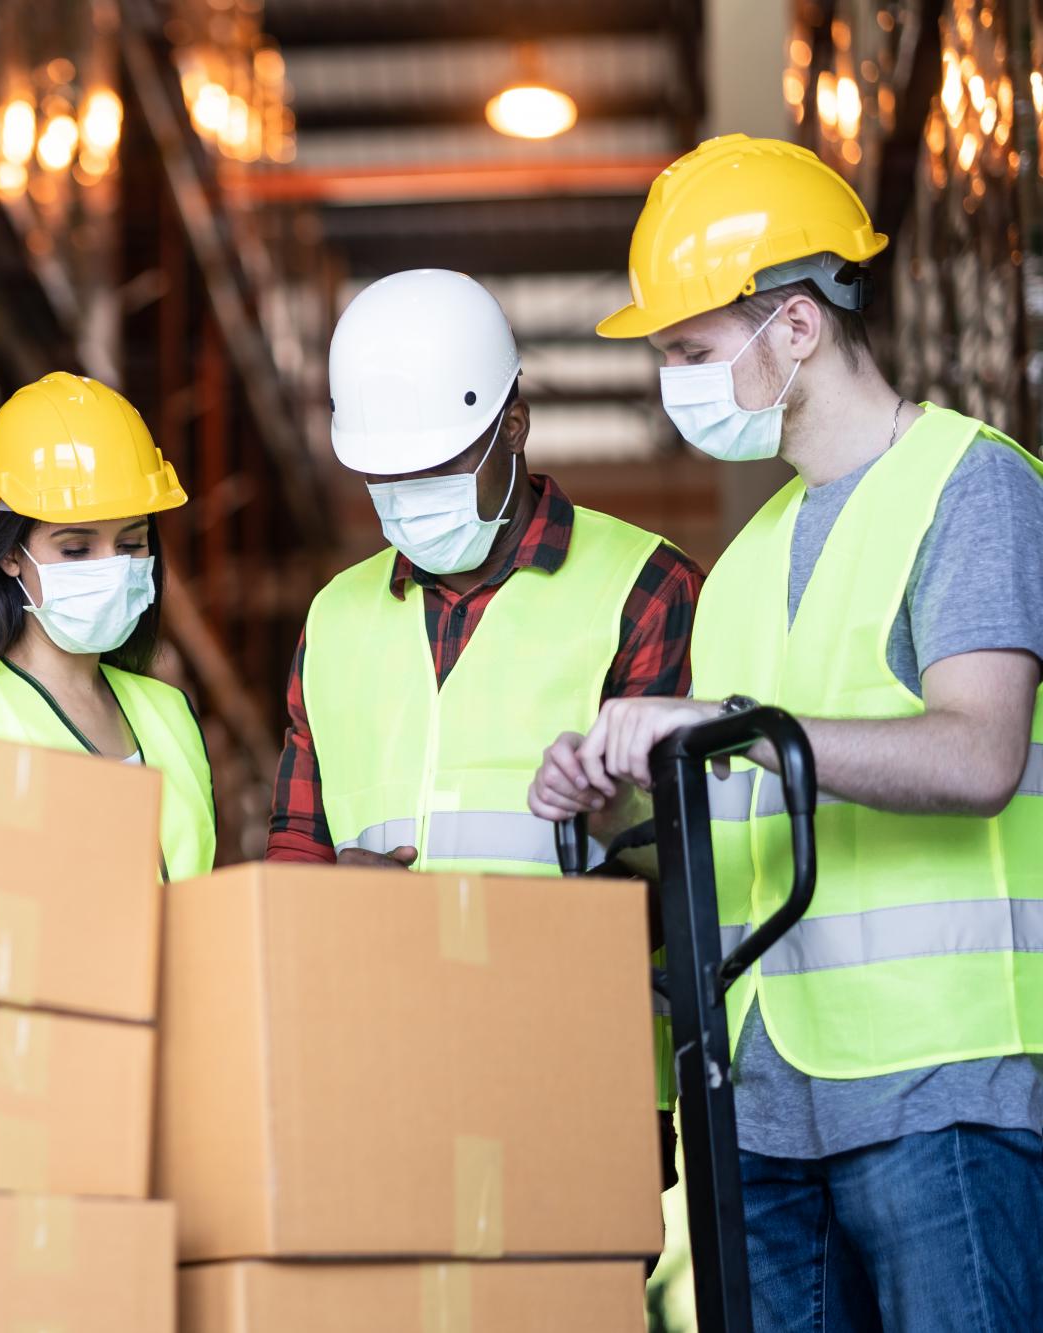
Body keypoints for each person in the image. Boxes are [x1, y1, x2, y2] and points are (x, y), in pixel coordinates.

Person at [529, 134, 1043, 1331]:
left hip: (937, 1090)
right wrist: (609, 798)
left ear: (796, 325)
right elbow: (735, 822)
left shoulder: (973, 489)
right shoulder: (745, 562)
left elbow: (979, 755)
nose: (674, 384)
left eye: (689, 351)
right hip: (759, 1097)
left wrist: (730, 725)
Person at [272, 268, 704, 1117]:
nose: (409, 501)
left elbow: (698, 880)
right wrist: (322, 901)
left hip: (578, 1081)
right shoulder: (334, 620)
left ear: (515, 424)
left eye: (438, 466)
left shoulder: (647, 589)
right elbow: (295, 861)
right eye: (385, 477)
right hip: (375, 1076)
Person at [0, 371, 216, 881]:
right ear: (11, 554)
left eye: (131, 544)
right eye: (76, 548)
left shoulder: (171, 717)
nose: (113, 567)